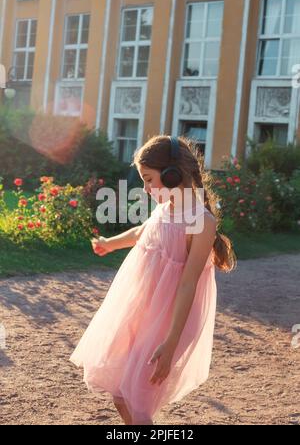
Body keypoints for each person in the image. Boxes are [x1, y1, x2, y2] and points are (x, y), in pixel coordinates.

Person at [70, 135, 237, 425]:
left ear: (173, 174)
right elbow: (142, 233)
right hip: (144, 307)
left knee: (138, 398)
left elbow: (187, 284)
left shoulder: (201, 221)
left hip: (172, 318)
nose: (145, 188)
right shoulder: (165, 208)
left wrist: (171, 343)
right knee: (120, 392)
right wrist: (110, 243)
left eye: (149, 179)